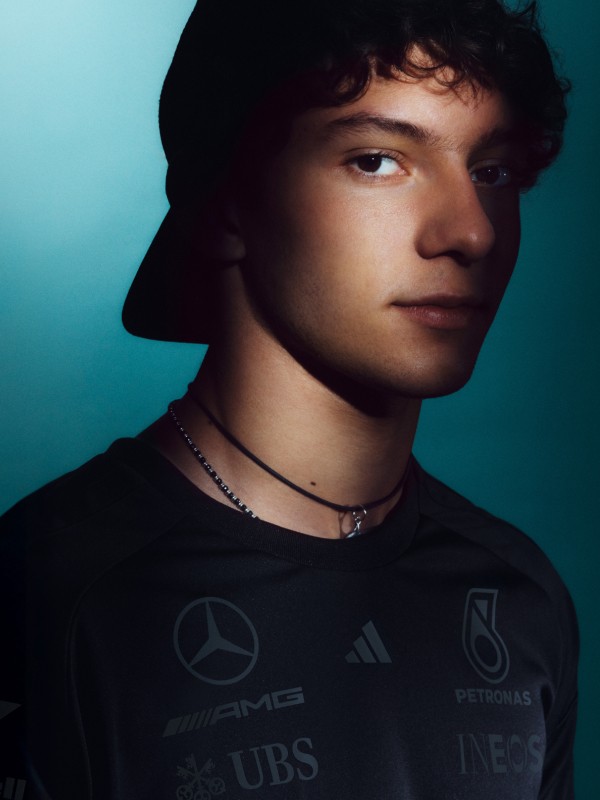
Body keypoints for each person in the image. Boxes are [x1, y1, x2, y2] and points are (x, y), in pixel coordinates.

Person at [0, 0, 578, 797]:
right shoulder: (49, 588)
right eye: (377, 160)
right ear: (230, 201)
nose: (470, 230)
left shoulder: (519, 597)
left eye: (493, 171)